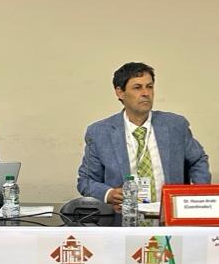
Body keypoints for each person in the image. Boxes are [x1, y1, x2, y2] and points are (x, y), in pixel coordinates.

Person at [77, 62, 211, 210]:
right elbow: (86, 181)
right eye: (137, 87)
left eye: (149, 86)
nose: (146, 93)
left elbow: (198, 159)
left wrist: (198, 196)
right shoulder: (99, 132)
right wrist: (109, 194)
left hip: (169, 214)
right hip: (125, 214)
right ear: (120, 93)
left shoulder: (175, 125)